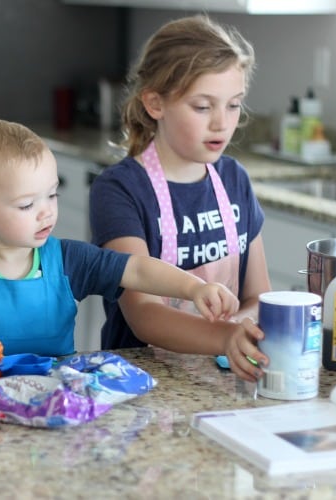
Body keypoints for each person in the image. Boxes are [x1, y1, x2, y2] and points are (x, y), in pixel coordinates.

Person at [0, 118, 238, 357]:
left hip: (55, 405)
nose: (46, 212)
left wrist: (194, 287)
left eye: (51, 196)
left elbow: (136, 270)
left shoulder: (69, 261)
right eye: (27, 204)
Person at [89, 15, 271, 382]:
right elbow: (144, 315)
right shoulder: (121, 189)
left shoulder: (234, 179)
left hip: (222, 376)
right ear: (155, 104)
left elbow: (259, 296)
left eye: (233, 105)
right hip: (139, 382)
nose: (222, 123)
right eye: (203, 107)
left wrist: (236, 331)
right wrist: (224, 337)